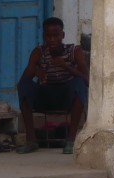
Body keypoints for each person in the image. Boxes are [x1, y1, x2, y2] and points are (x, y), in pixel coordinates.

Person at [16, 17, 88, 154]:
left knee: (78, 84)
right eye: (48, 36)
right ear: (44, 36)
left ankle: (70, 140)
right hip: (46, 97)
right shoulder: (39, 53)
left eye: (56, 35)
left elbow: (88, 81)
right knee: (24, 86)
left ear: (63, 35)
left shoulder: (74, 51)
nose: (52, 40)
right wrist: (36, 72)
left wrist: (67, 67)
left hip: (67, 98)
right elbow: (22, 84)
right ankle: (31, 140)